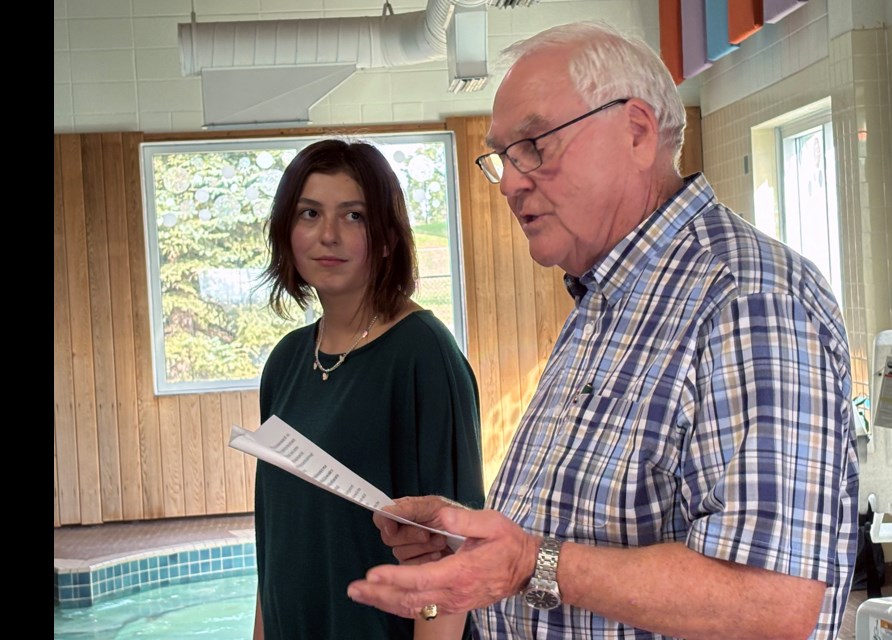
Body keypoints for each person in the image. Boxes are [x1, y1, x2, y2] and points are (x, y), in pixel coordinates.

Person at [346, 22, 858, 640]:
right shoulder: (605, 299)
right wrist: (475, 547)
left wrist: (530, 565)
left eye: (534, 144)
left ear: (637, 131)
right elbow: (579, 528)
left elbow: (770, 606)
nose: (510, 181)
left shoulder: (747, 301)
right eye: (503, 157)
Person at [255, 139, 485, 640]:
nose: (328, 235)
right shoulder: (286, 361)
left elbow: (454, 551)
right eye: (309, 213)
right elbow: (274, 538)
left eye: (354, 216)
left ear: (386, 237)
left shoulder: (423, 354)